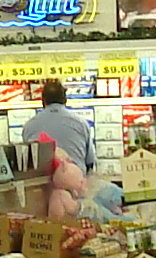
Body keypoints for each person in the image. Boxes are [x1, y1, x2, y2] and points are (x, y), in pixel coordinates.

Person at [17, 79, 120, 216]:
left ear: (43, 101)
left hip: (41, 196)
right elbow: (90, 163)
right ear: (65, 100)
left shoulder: (29, 126)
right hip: (77, 194)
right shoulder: (81, 123)